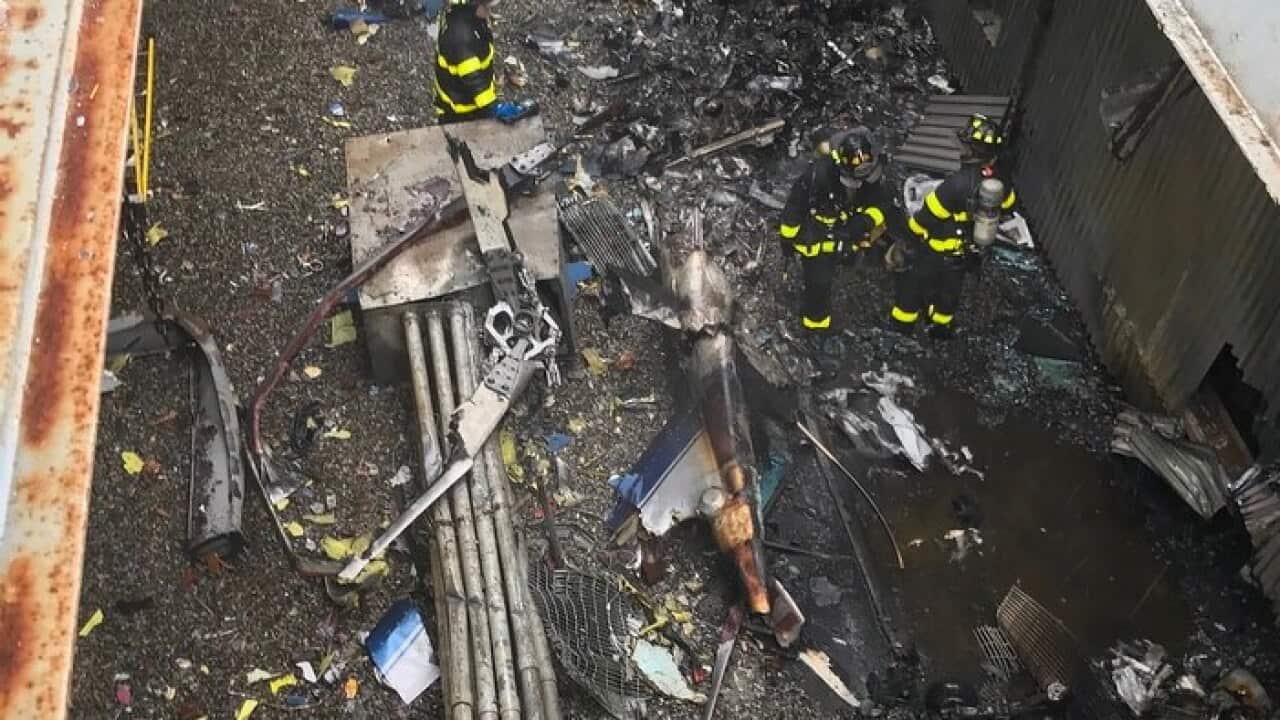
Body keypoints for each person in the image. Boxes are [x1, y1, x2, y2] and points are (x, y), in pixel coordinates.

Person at [886, 113, 1016, 338]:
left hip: (935, 250)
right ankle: (939, 331)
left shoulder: (955, 184)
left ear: (971, 150)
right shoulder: (998, 180)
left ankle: (900, 331)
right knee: (949, 294)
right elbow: (1008, 205)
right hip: (964, 253)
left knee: (911, 289)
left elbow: (924, 219)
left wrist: (904, 242)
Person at [778, 128, 907, 335]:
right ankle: (816, 325)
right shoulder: (818, 175)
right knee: (819, 282)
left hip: (848, 228)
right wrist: (787, 239)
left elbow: (881, 205)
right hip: (818, 236)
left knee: (847, 257)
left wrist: (863, 223)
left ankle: (847, 261)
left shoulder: (872, 175)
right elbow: (794, 207)